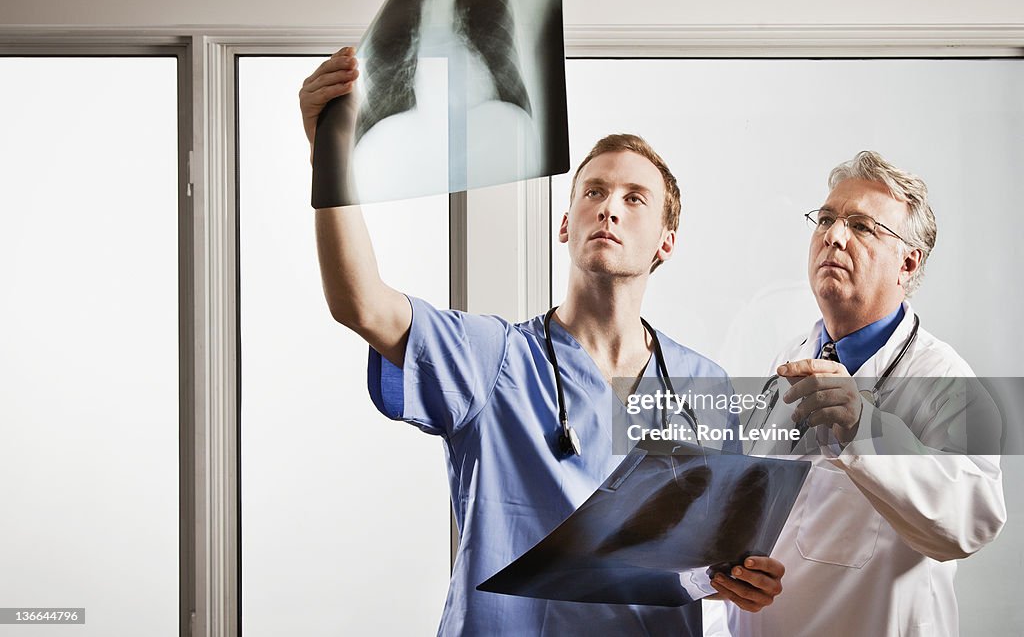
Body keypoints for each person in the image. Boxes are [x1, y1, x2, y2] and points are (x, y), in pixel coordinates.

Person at [300, 48, 784, 636]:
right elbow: (362, 303)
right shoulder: (493, 358)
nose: (610, 208)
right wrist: (331, 156)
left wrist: (737, 580)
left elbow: (708, 563)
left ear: (666, 242)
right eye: (594, 192)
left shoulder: (700, 386)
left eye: (635, 199)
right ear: (565, 224)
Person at [728, 151, 1007, 637]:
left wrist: (864, 427)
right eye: (828, 219)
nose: (833, 236)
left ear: (908, 262)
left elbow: (973, 521)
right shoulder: (782, 360)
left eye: (861, 226)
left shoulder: (945, 381)